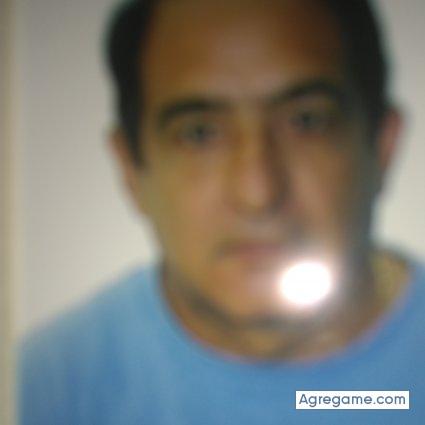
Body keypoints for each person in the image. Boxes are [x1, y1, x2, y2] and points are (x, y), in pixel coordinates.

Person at [18, 0, 425, 424]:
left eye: (306, 121)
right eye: (199, 134)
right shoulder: (37, 395)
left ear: (383, 146)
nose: (258, 193)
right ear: (130, 169)